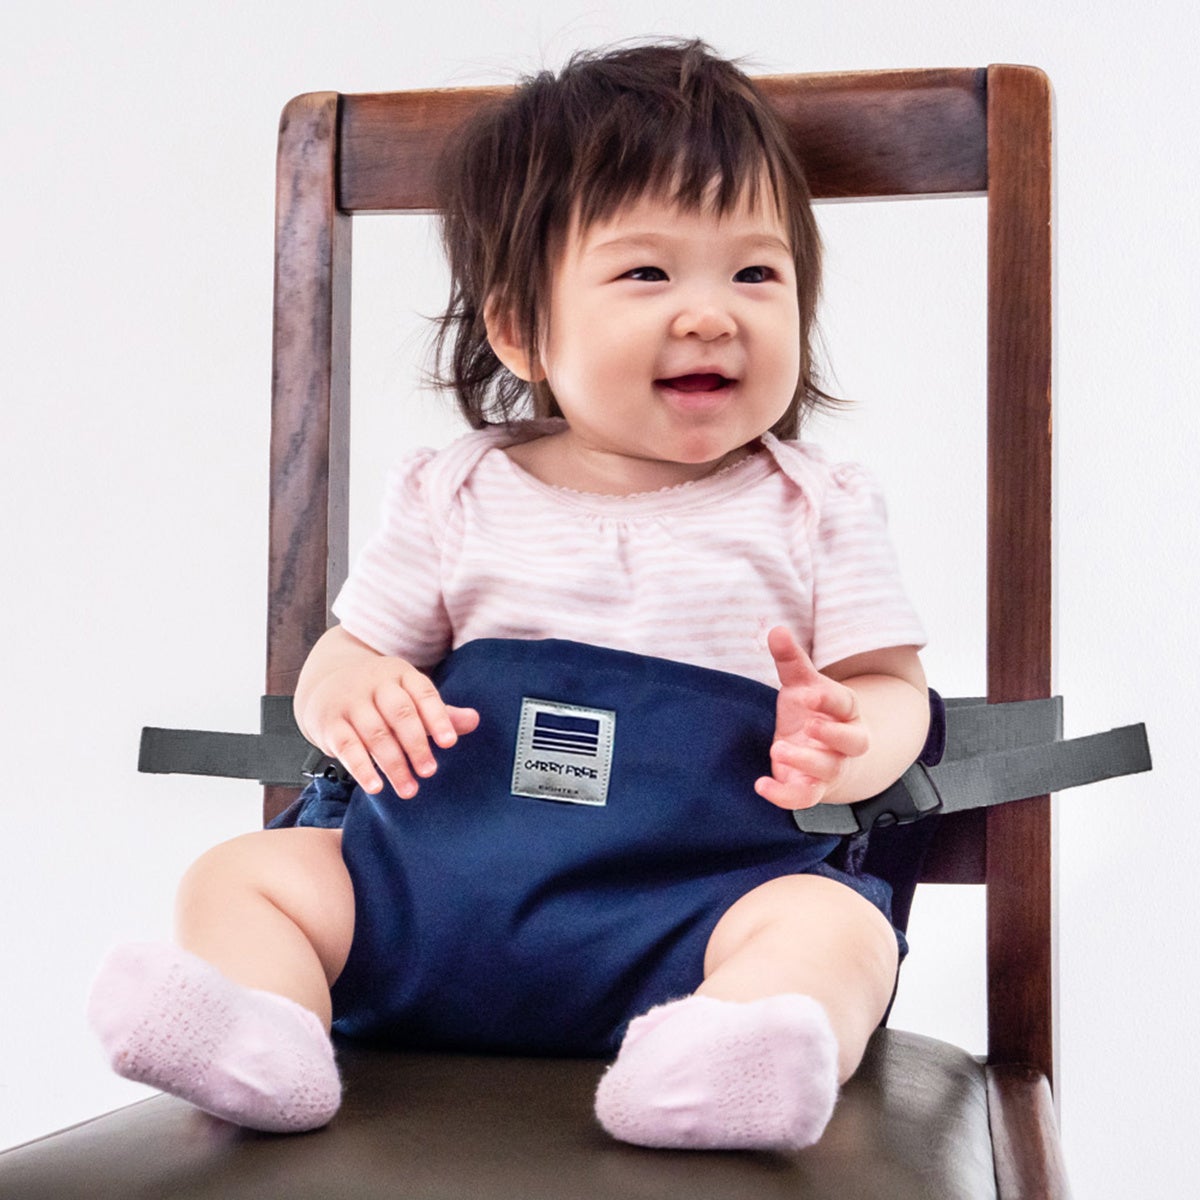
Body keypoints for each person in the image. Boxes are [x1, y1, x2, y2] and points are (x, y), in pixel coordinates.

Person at [89, 38, 930, 1152]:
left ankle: (726, 1057)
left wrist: (849, 742)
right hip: (420, 905)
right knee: (243, 876)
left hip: (694, 911)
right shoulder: (457, 494)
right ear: (521, 328)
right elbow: (345, 657)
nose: (711, 315)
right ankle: (265, 1034)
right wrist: (354, 691)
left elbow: (892, 690)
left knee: (833, 930)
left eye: (755, 275)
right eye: (647, 273)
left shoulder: (812, 508)